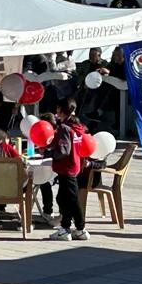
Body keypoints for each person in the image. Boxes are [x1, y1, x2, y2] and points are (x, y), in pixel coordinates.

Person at [47, 98, 89, 241]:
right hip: (74, 165)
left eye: (58, 109)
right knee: (66, 198)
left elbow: (64, 150)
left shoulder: (65, 128)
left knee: (70, 199)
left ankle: (72, 228)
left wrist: (50, 153)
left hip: (67, 167)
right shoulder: (77, 127)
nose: (56, 112)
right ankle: (77, 228)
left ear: (62, 110)